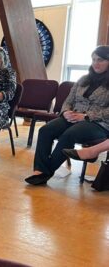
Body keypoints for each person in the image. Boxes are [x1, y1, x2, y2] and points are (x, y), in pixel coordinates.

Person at [26, 45, 109, 185]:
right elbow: (68, 100)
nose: (96, 63)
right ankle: (39, 170)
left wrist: (86, 116)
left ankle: (46, 172)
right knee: (45, 130)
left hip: (98, 123)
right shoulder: (84, 79)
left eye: (100, 60)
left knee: (70, 134)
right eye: (93, 59)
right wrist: (65, 112)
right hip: (73, 117)